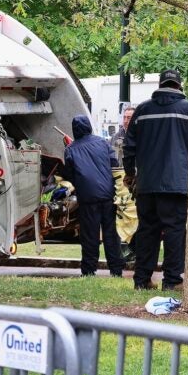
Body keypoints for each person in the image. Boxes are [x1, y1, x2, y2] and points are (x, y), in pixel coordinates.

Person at [123, 69, 188, 291]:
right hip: (177, 183)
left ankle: (142, 279)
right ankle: (172, 280)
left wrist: (130, 173)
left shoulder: (142, 110)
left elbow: (128, 146)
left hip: (147, 184)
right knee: (175, 231)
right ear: (178, 86)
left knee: (147, 231)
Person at [64, 114, 125, 277]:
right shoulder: (103, 142)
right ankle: (116, 270)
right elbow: (114, 165)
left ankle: (89, 270)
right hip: (108, 195)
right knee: (111, 235)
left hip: (87, 197)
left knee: (90, 235)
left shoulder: (71, 149)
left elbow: (69, 174)